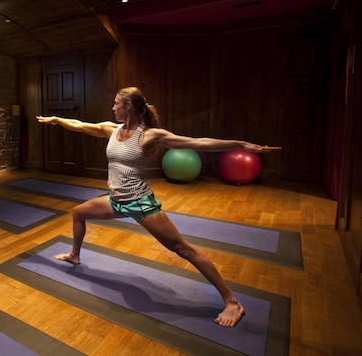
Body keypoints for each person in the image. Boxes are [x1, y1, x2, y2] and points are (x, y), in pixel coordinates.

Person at [36, 86, 281, 327]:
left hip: (140, 203)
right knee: (79, 213)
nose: (112, 108)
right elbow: (80, 125)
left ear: (128, 106)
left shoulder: (150, 135)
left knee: (184, 250)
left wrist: (242, 145)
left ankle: (232, 302)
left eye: (116, 103)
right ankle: (75, 255)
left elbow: (199, 143)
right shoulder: (111, 129)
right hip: (116, 201)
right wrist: (56, 118)